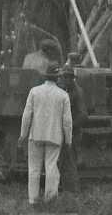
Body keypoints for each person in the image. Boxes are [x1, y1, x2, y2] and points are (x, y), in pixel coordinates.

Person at [19, 65, 74, 206]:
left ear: (45, 76)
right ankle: (50, 199)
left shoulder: (34, 91)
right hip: (54, 136)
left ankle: (33, 200)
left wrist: (23, 134)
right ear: (58, 78)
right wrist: (68, 139)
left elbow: (27, 115)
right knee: (51, 167)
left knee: (34, 168)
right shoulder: (63, 95)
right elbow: (67, 121)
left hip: (35, 135)